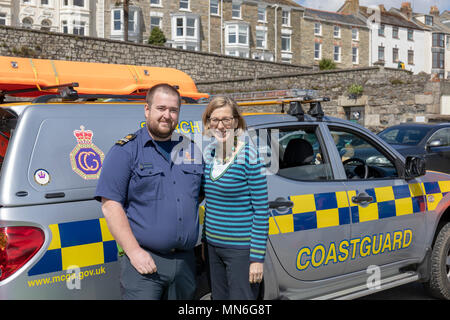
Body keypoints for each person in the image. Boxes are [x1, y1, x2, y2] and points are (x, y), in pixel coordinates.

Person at [95, 83, 203, 300]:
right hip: (144, 263)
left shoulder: (191, 149)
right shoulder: (125, 151)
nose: (167, 115)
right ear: (147, 110)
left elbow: (197, 195)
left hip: (185, 264)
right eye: (161, 108)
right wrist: (134, 252)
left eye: (173, 110)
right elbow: (110, 205)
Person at [201, 96, 269, 300]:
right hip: (213, 248)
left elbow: (261, 210)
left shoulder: (249, 156)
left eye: (226, 120)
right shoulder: (210, 155)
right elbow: (211, 204)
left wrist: (257, 258)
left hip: (241, 250)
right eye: (215, 120)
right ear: (208, 123)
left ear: (236, 122)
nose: (220, 126)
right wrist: (205, 242)